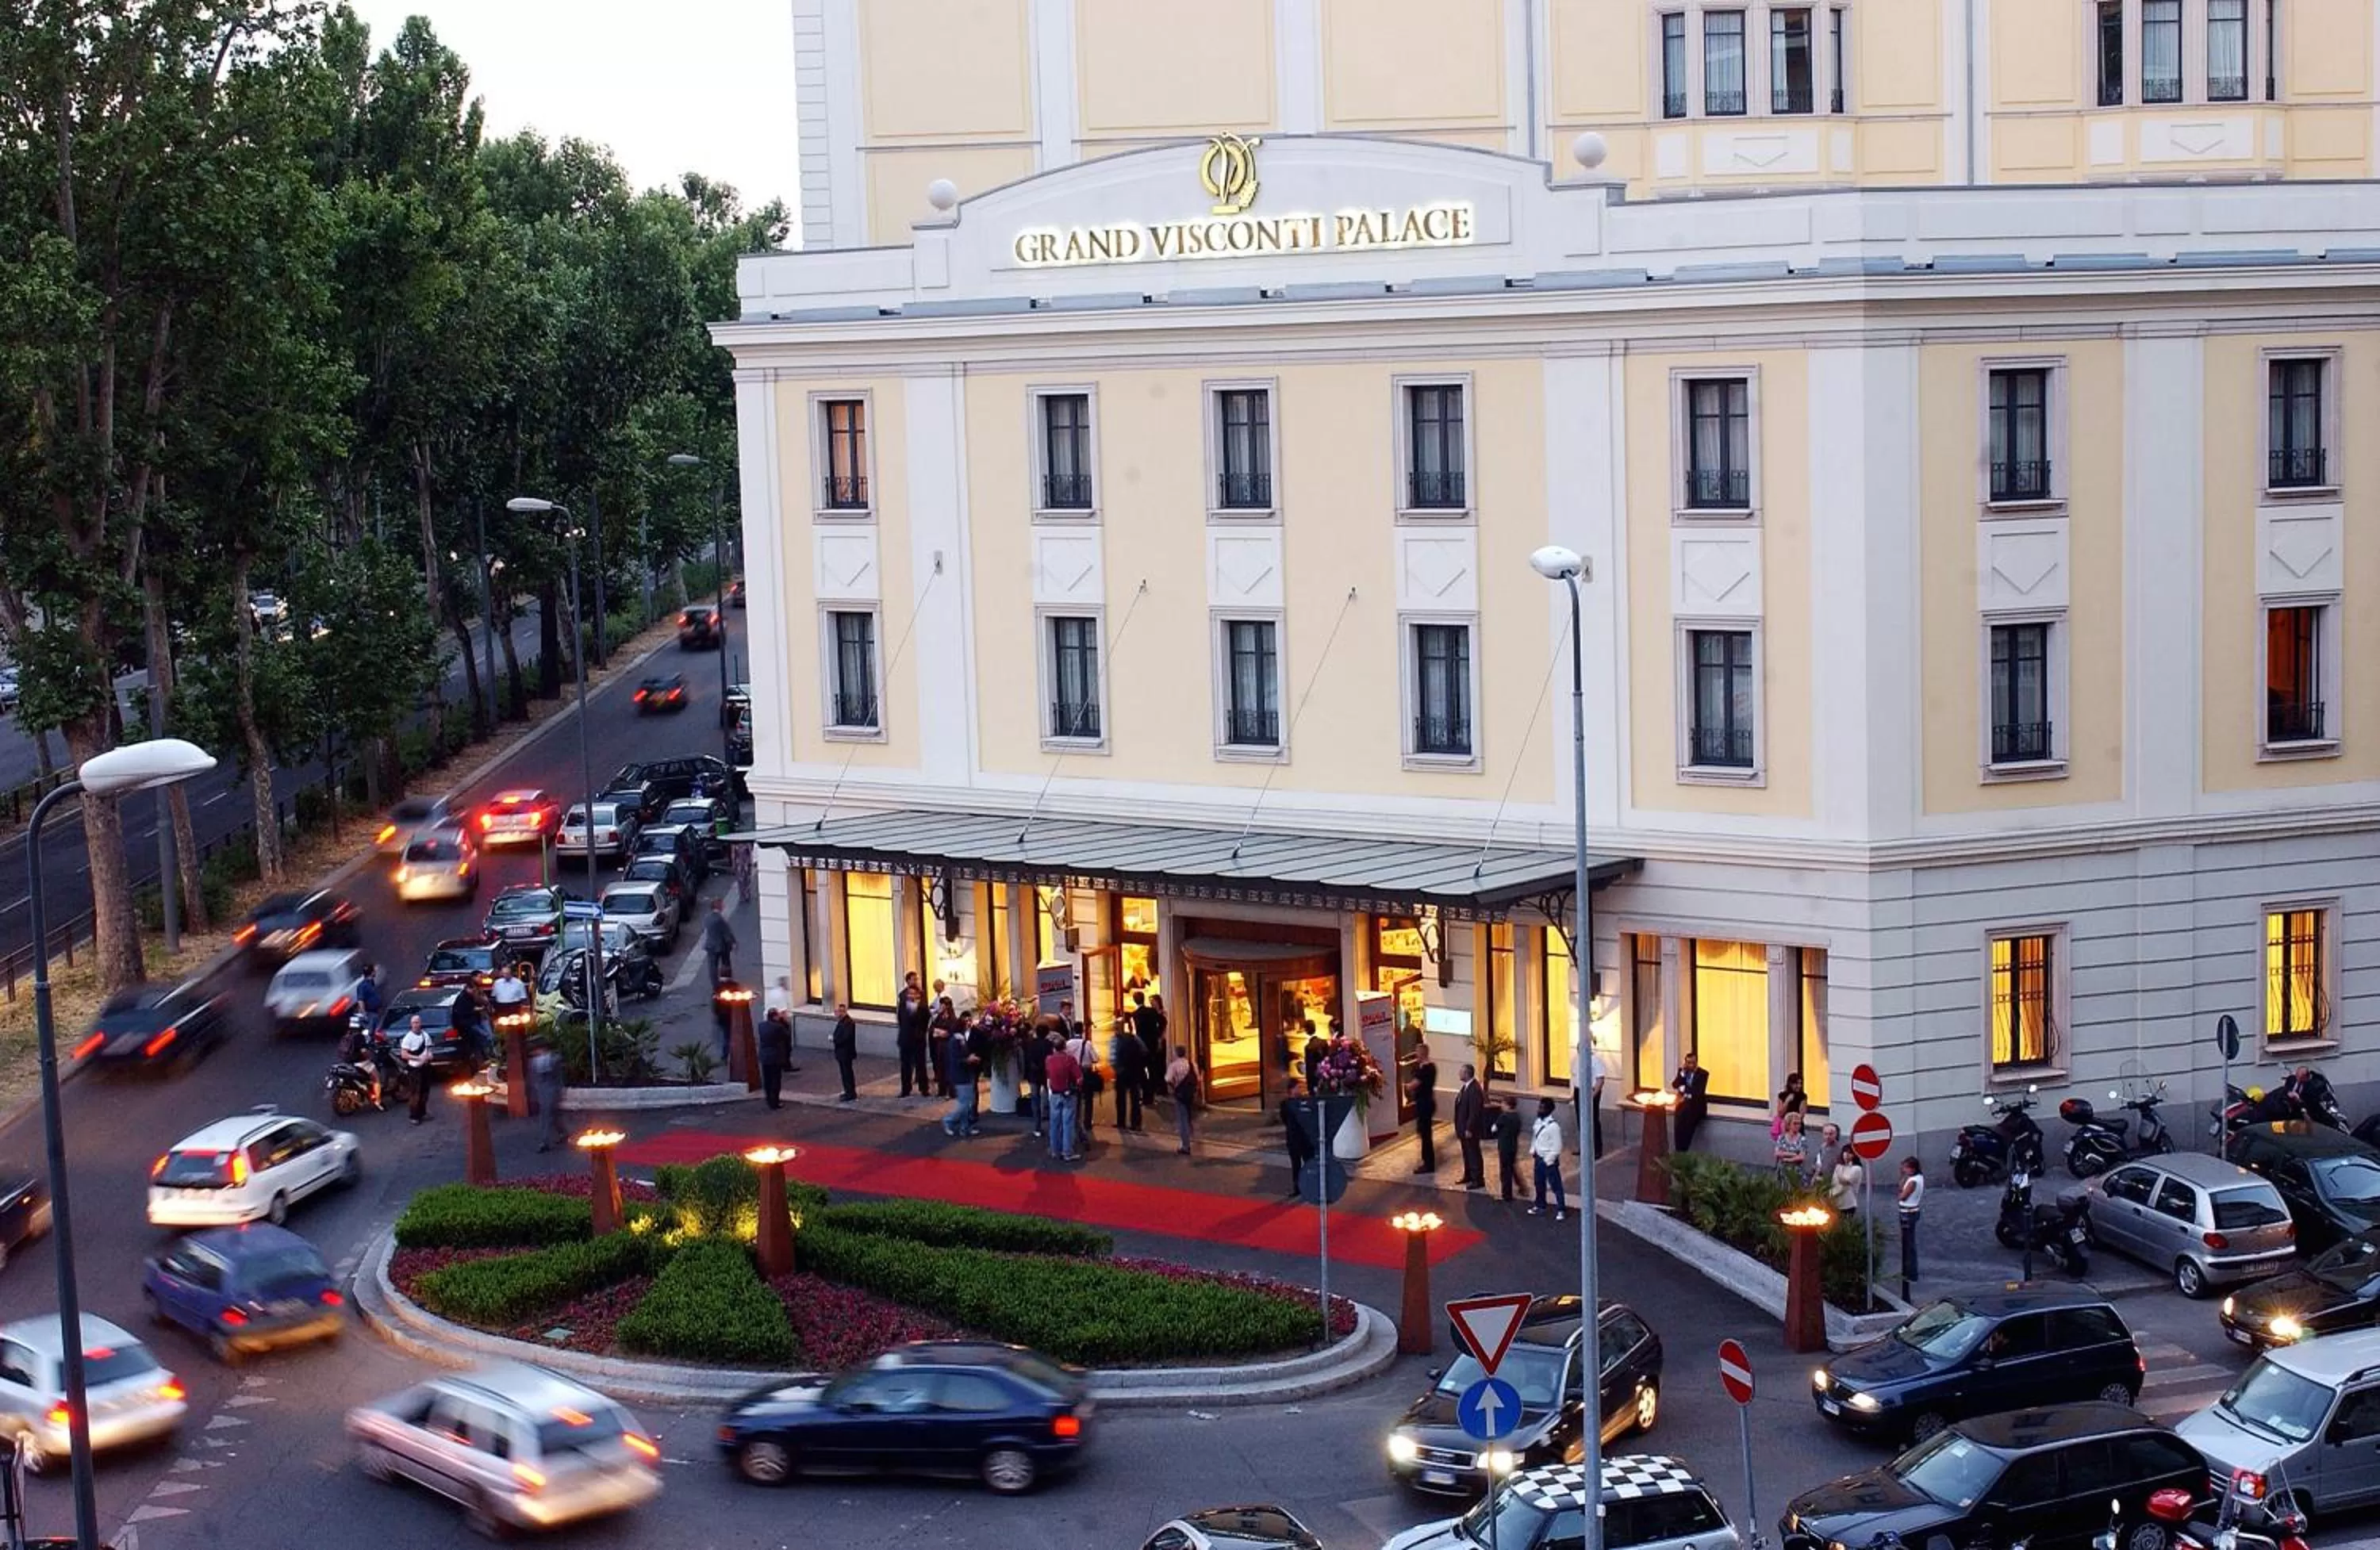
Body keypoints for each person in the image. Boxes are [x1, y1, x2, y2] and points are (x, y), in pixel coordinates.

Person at [1043, 1030, 1082, 1161]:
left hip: (1054, 1094)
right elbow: (1079, 1078)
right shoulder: (1070, 1060)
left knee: (1054, 1123)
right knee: (1068, 1123)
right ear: (1065, 1047)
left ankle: (1055, 1150)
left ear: (1054, 1048)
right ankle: (1067, 1152)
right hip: (1068, 1094)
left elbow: (1049, 1074)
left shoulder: (1049, 1060)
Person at [940, 1015, 981, 1138]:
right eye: (966, 1023)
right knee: (964, 1103)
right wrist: (969, 1059)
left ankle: (965, 1127)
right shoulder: (956, 1040)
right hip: (960, 1076)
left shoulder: (959, 1039)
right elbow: (957, 1060)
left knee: (966, 1102)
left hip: (964, 1074)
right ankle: (949, 1120)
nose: (969, 1024)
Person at [1528, 1097, 1567, 1221]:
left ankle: (1561, 1209)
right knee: (1539, 1183)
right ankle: (1540, 1205)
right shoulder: (1538, 1122)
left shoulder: (1554, 1127)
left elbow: (1557, 1146)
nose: (1539, 1109)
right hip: (1538, 1157)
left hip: (1548, 1160)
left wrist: (1549, 1160)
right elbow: (1535, 1138)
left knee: (1556, 1185)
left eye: (1542, 1107)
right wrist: (1533, 1150)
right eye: (1539, 1106)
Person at [894, 974, 930, 1098]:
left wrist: (922, 1032)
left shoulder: (922, 1001)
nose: (912, 996)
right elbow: (900, 1017)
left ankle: (924, 1088)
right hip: (905, 1038)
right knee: (905, 1065)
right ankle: (905, 1089)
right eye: (914, 979)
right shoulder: (902, 998)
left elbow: (926, 1017)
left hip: (918, 1038)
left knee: (921, 1064)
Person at [1452, 1063, 1486, 1188]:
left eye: (1461, 1072)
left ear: (1467, 1074)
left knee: (1473, 1153)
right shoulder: (1466, 1087)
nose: (1459, 1074)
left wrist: (1469, 1128)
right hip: (1463, 1128)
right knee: (1467, 1153)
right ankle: (1468, 1175)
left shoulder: (1474, 1089)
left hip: (1470, 1130)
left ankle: (1478, 1179)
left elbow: (1474, 1111)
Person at [1066, 1021, 1100, 1143]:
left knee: (1075, 1098)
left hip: (1073, 1074)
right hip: (1086, 1073)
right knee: (1088, 1099)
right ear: (1083, 1031)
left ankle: (1076, 1121)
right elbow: (1096, 1058)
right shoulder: (1087, 1044)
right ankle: (1087, 1122)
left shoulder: (1068, 1044)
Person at [530, 1038, 567, 1151]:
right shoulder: (534, 1062)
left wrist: (560, 1091)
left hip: (552, 1089)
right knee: (552, 1115)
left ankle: (544, 1142)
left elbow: (559, 1078)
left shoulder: (555, 1059)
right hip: (542, 1090)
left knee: (547, 1116)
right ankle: (562, 1133)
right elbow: (533, 1078)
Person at [1281, 1076, 1315, 1196]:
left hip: (1305, 1138)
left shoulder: (1305, 1101)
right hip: (1293, 1139)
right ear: (1291, 1090)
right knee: (1296, 1164)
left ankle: (1310, 1185)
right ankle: (1297, 1188)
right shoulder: (1286, 1104)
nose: (1300, 1090)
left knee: (1309, 1163)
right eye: (1298, 1087)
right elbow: (1285, 1119)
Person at [1110, 1018, 1146, 1132]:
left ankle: (1121, 1122)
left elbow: (1112, 1058)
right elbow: (1144, 1050)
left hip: (1121, 1072)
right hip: (1134, 1071)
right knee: (1135, 1098)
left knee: (1120, 1098)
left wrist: (1116, 1069)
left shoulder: (1114, 1040)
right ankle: (1136, 1123)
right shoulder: (1134, 1037)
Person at [1672, 1051, 1711, 1153]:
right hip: (1684, 1106)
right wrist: (1683, 1074)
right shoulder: (1683, 1072)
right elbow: (1675, 1085)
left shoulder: (1703, 1074)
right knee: (1679, 1120)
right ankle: (1679, 1150)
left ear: (1696, 1063)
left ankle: (1684, 1150)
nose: (1691, 1065)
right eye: (1688, 1063)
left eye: (1693, 1063)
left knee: (1688, 1122)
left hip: (1696, 1106)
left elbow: (1698, 1092)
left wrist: (1684, 1091)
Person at [399, 1015, 435, 1125]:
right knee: (415, 1093)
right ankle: (414, 1116)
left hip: (425, 1068)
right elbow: (404, 1055)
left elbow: (428, 1049)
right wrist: (417, 1058)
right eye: (414, 1023)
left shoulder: (425, 1035)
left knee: (425, 1092)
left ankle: (422, 1112)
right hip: (414, 1069)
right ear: (411, 1024)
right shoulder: (408, 1038)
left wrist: (429, 1056)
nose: (416, 1025)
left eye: (418, 1022)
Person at [1165, 1045, 1200, 1155]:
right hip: (1190, 1094)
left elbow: (1168, 1079)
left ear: (1176, 1053)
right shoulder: (1191, 1064)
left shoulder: (1173, 1066)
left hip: (1180, 1094)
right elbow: (1198, 1078)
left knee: (1182, 1118)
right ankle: (1193, 1136)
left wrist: (1175, 1086)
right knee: (1189, 1115)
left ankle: (1185, 1145)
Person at [1131, 992, 1166, 1103]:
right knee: (1152, 1069)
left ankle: (1146, 1094)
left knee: (1141, 1070)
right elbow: (1162, 1021)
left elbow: (1135, 1031)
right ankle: (1151, 1093)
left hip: (1142, 1045)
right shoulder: (1151, 1012)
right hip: (1152, 1044)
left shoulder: (1135, 1014)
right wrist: (1158, 1035)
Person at [1408, 1050, 1440, 1174]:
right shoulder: (1431, 1067)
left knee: (1425, 1134)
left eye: (1417, 1053)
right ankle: (1427, 1161)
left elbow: (1413, 1085)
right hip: (1428, 1102)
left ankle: (1428, 1163)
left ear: (1422, 1054)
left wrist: (1407, 1086)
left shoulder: (1425, 1069)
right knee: (1425, 1132)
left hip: (1424, 1104)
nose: (1416, 1055)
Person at [758, 1005, 793, 1111]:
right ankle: (775, 1101)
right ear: (774, 1017)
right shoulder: (778, 1027)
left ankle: (768, 1099)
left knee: (767, 1079)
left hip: (765, 1056)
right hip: (776, 1057)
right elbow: (787, 1035)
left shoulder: (761, 1026)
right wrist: (784, 1021)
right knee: (775, 1080)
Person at [1020, 1017, 1051, 1137]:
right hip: (1046, 1074)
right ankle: (1051, 1122)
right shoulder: (1049, 1044)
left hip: (1034, 1075)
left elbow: (1027, 1059)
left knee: (1035, 1099)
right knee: (1049, 1097)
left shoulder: (1030, 1044)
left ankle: (1037, 1126)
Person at [1897, 1156, 1925, 1285]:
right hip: (1913, 1211)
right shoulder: (1919, 1178)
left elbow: (1902, 1196)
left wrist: (1902, 1184)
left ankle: (1910, 1273)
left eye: (1905, 1168)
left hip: (1907, 1213)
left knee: (1908, 1245)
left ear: (1912, 1169)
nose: (1903, 1170)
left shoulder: (1912, 1181)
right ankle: (1910, 1272)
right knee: (1909, 1244)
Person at [700, 898, 737, 988]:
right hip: (721, 946)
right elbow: (726, 933)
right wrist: (733, 943)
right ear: (719, 906)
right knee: (726, 963)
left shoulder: (707, 917)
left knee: (712, 966)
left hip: (710, 945)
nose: (724, 906)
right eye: (722, 904)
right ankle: (727, 981)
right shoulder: (720, 919)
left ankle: (715, 984)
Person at [1493, 1096, 1524, 1203]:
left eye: (1503, 1103)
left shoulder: (1504, 1117)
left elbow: (1494, 1128)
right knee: (1512, 1166)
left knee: (1505, 1171)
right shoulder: (1517, 1116)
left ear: (1507, 1104)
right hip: (1513, 1145)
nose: (1501, 1105)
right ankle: (1522, 1187)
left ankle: (1506, 1195)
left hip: (1504, 1146)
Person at [929, 996, 960, 1099]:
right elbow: (933, 1028)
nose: (941, 1006)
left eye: (943, 1005)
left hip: (948, 1046)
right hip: (939, 1045)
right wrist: (938, 1032)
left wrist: (940, 1032)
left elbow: (949, 1032)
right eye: (941, 1004)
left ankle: (951, 1091)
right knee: (940, 1067)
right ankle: (941, 1090)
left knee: (948, 1068)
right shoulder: (940, 1017)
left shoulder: (952, 1019)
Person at [831, 1001, 858, 1101]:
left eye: (836, 1012)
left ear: (842, 1012)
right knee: (845, 1073)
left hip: (846, 1053)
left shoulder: (848, 1023)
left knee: (847, 1073)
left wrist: (834, 1039)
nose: (835, 1014)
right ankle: (848, 1091)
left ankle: (850, 1093)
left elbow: (845, 1038)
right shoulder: (843, 1022)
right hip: (843, 1053)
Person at [1829, 1145, 1864, 1215]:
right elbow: (1834, 1184)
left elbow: (1844, 1182)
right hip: (1835, 1204)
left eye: (1850, 1153)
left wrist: (1838, 1169)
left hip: (1847, 1206)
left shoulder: (1856, 1169)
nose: (1846, 1155)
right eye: (1845, 1152)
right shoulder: (1840, 1167)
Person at [1772, 1110, 1808, 1176]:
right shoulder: (1782, 1137)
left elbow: (1801, 1157)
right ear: (1788, 1124)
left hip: (1796, 1172)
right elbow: (1777, 1153)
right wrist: (1794, 1154)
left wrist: (1787, 1159)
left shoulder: (1802, 1139)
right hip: (1782, 1171)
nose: (1798, 1126)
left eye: (1799, 1123)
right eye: (1795, 1123)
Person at [1773, 1071, 1807, 1137]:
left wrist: (1793, 1124)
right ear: (1790, 1084)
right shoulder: (1782, 1095)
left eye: (1800, 1083)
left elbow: (1802, 1115)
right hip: (1784, 1126)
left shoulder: (1802, 1096)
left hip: (1797, 1126)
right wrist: (1787, 1101)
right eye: (1796, 1084)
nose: (1799, 1086)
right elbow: (1780, 1113)